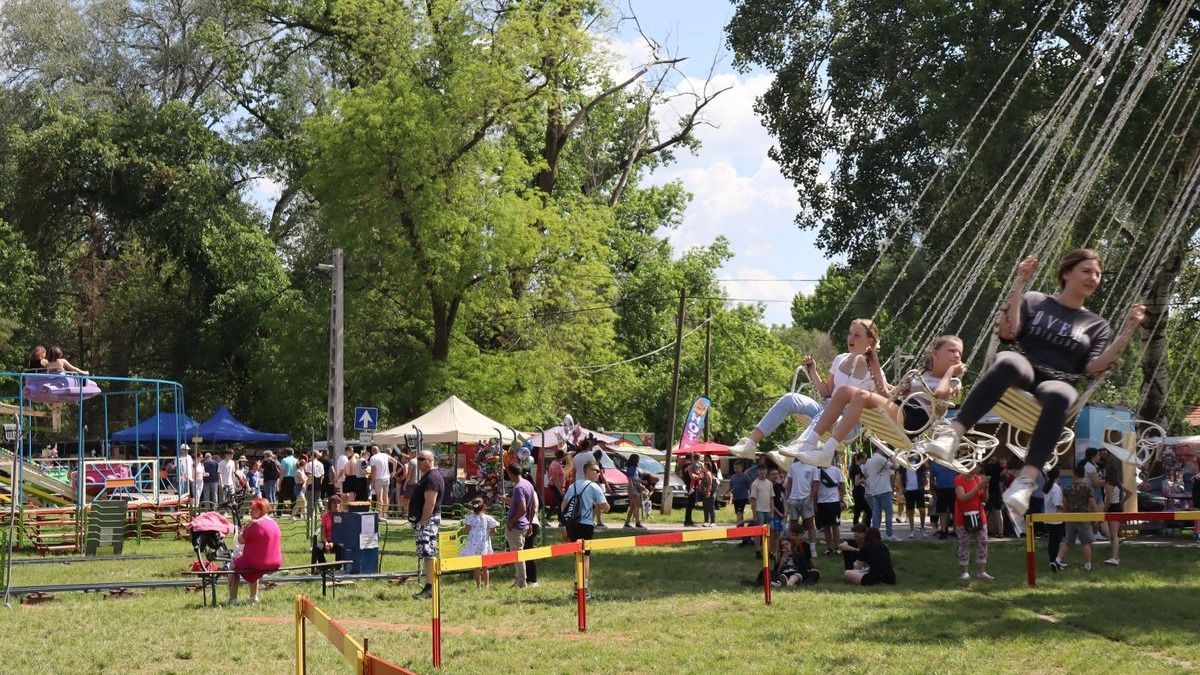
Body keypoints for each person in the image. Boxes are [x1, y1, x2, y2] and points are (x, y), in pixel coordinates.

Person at [921, 250, 1146, 516]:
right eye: (1086, 271)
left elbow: (1094, 367)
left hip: (1057, 381)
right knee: (1006, 361)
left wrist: (1128, 330)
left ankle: (1025, 481)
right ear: (1066, 273)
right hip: (1024, 368)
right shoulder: (1037, 300)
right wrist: (1020, 283)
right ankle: (953, 434)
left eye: (1097, 274)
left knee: (1063, 395)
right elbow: (1010, 331)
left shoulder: (1097, 326)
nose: (1093, 278)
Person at [791, 335, 967, 468]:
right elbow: (887, 392)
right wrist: (873, 361)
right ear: (935, 354)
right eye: (952, 350)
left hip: (914, 420)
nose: (957, 355)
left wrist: (951, 370)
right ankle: (810, 442)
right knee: (844, 391)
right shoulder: (919, 375)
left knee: (861, 396)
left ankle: (827, 451)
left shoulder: (953, 382)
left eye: (960, 352)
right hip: (899, 409)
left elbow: (940, 392)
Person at [729, 319, 884, 461]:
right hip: (826, 409)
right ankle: (750, 444)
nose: (851, 338)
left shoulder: (874, 373)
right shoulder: (840, 359)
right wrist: (813, 372)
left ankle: (792, 454)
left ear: (869, 341)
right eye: (850, 334)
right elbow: (826, 392)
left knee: (826, 411)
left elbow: (882, 400)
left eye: (857, 335)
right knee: (790, 398)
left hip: (846, 426)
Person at [560, 461, 609, 599]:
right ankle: (584, 588)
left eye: (599, 471)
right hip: (586, 525)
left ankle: (577, 587)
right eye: (596, 471)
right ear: (587, 471)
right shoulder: (594, 487)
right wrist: (599, 505)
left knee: (578, 556)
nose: (599, 474)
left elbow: (563, 506)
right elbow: (606, 508)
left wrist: (563, 525)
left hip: (572, 525)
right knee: (585, 557)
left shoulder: (573, 485)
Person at [229, 497, 283, 605]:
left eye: (253, 509)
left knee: (233, 565)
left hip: (259, 563)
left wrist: (245, 529)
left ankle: (233, 599)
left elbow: (240, 540)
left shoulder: (255, 524)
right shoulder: (275, 523)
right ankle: (254, 597)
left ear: (262, 510)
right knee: (252, 565)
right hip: (276, 562)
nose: (250, 511)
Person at [410, 450, 444, 600]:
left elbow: (430, 502)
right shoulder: (429, 477)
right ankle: (430, 585)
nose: (418, 462)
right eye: (418, 459)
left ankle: (430, 587)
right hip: (427, 520)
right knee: (428, 553)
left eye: (422, 459)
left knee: (428, 553)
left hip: (428, 521)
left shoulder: (432, 478)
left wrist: (423, 522)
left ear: (430, 460)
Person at [1054, 462, 1097, 572]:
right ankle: (1088, 565)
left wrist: (1066, 513)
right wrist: (1095, 516)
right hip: (1083, 516)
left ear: (1075, 474)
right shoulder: (1087, 487)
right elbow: (1092, 502)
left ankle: (1057, 560)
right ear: (1084, 474)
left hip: (1070, 516)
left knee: (1068, 541)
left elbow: (1064, 503)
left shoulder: (1068, 487)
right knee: (1086, 542)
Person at [954, 463, 992, 581]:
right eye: (976, 466)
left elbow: (985, 499)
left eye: (979, 467)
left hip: (979, 515)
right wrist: (978, 487)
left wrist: (985, 488)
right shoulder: (959, 480)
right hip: (963, 517)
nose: (978, 469)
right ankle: (964, 572)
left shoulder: (978, 479)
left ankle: (981, 572)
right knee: (965, 544)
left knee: (983, 542)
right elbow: (962, 498)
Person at [504, 464, 535, 588]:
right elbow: (532, 506)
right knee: (519, 553)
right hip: (525, 524)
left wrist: (512, 521)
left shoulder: (518, 487)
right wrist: (530, 522)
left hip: (516, 526)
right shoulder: (528, 484)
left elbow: (522, 508)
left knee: (518, 554)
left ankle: (522, 582)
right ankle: (518, 580)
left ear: (511, 473)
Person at [460, 498, 498, 587]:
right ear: (483, 507)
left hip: (474, 544)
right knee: (485, 566)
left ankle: (478, 586)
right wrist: (488, 532)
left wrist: (464, 531)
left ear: (472, 508)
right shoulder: (488, 518)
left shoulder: (470, 518)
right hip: (484, 544)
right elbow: (494, 531)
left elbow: (466, 530)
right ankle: (487, 585)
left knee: (477, 567)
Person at [784, 458, 819, 552]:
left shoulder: (813, 466)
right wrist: (789, 496)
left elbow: (816, 484)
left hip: (806, 497)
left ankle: (812, 549)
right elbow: (789, 481)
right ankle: (791, 546)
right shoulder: (793, 466)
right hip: (794, 498)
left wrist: (811, 497)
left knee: (810, 524)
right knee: (793, 524)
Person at [863, 451, 897, 540]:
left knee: (876, 514)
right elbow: (895, 467)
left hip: (874, 491)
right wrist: (893, 458)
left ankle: (875, 535)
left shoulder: (869, 461)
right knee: (889, 513)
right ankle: (890, 534)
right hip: (884, 490)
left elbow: (865, 474)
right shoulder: (881, 459)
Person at [814, 461, 846, 554]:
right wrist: (815, 502)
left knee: (835, 525)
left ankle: (837, 547)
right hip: (821, 502)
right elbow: (815, 487)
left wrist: (841, 499)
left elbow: (842, 485)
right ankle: (828, 547)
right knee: (825, 526)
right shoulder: (817, 472)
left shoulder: (836, 470)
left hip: (834, 502)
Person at [1103, 463, 1129, 566]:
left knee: (1113, 536)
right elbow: (1129, 493)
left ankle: (1114, 558)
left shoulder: (1109, 485)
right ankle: (1115, 557)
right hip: (1117, 507)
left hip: (1112, 508)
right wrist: (1121, 502)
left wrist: (1103, 512)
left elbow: (1108, 501)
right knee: (1113, 535)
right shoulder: (1118, 483)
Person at [312, 495, 345, 566]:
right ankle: (324, 567)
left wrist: (332, 543)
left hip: (338, 541)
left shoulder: (342, 516)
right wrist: (326, 542)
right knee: (318, 547)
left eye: (338, 503)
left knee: (340, 547)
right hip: (327, 541)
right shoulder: (325, 516)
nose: (336, 505)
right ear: (330, 504)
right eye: (334, 503)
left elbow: (341, 533)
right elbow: (323, 533)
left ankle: (337, 568)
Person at [1042, 467, 1065, 571]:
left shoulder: (1048, 486)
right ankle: (1054, 561)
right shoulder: (1055, 488)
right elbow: (1057, 504)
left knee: (1052, 541)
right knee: (1056, 541)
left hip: (1048, 516)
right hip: (1056, 518)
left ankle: (1052, 560)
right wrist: (1066, 510)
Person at [750, 467, 775, 556]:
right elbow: (753, 500)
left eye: (764, 470)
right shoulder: (755, 484)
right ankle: (757, 551)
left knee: (770, 530)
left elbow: (771, 498)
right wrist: (754, 514)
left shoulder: (769, 483)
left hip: (768, 510)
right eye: (761, 470)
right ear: (758, 471)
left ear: (766, 471)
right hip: (759, 510)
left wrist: (772, 512)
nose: (763, 472)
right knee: (759, 531)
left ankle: (768, 550)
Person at [930, 462, 958, 539]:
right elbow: (931, 478)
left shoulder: (954, 462)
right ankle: (943, 531)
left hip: (954, 489)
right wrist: (933, 491)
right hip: (940, 489)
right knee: (943, 511)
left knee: (955, 511)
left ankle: (956, 531)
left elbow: (960, 475)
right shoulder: (935, 463)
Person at [901, 466, 927, 538]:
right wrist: (902, 488)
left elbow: (924, 475)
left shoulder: (919, 463)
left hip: (919, 489)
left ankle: (922, 528)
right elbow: (901, 476)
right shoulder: (903, 465)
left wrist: (924, 483)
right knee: (910, 510)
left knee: (922, 509)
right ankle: (912, 530)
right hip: (908, 490)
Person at [368, 446, 394, 517]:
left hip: (378, 479)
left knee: (379, 497)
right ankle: (384, 513)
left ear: (372, 452)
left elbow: (374, 471)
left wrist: (372, 482)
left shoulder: (373, 458)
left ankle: (379, 514)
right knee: (385, 497)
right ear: (379, 450)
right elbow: (395, 462)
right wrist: (393, 472)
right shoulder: (385, 455)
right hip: (387, 478)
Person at [726, 461, 753, 529]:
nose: (736, 470)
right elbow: (730, 487)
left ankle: (738, 528)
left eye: (738, 468)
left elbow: (750, 487)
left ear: (742, 468)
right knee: (739, 513)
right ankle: (742, 527)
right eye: (735, 468)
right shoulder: (733, 477)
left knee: (739, 513)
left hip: (743, 498)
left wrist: (751, 496)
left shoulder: (745, 477)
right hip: (736, 498)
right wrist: (727, 492)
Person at [848, 452, 872, 527]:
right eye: (865, 458)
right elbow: (857, 482)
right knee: (868, 511)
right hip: (858, 492)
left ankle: (857, 527)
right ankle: (865, 528)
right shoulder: (857, 468)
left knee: (858, 511)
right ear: (861, 459)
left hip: (858, 491)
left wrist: (864, 481)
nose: (866, 460)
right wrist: (865, 477)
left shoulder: (854, 467)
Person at [622, 453, 645, 529]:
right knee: (637, 505)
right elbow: (630, 477)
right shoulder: (632, 468)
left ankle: (627, 522)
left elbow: (633, 478)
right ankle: (637, 522)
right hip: (633, 488)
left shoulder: (631, 467)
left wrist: (641, 482)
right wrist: (634, 485)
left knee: (632, 506)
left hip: (634, 487)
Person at [548, 449, 567, 519]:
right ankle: (561, 520)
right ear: (562, 457)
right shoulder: (556, 465)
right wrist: (560, 490)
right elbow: (556, 479)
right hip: (555, 486)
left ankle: (547, 518)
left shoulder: (555, 463)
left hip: (554, 485)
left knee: (554, 503)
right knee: (561, 503)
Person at [700, 461, 718, 527]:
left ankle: (713, 522)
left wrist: (708, 492)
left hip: (710, 493)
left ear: (706, 467)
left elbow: (710, 484)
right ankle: (706, 521)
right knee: (705, 507)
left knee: (710, 507)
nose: (702, 467)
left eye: (703, 466)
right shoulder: (704, 473)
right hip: (705, 493)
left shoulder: (708, 473)